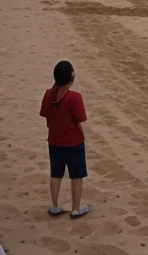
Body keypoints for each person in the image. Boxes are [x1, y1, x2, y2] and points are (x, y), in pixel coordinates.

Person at [40, 61, 90, 219]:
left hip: (54, 140)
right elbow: (80, 118)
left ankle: (55, 206)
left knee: (56, 173)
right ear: (71, 77)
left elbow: (44, 113)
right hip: (73, 142)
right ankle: (76, 209)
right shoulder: (74, 97)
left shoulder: (48, 94)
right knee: (76, 175)